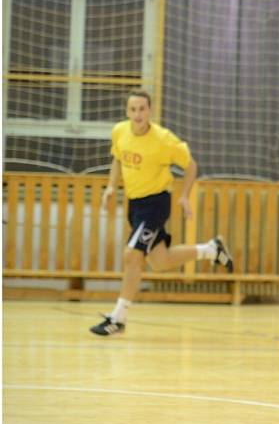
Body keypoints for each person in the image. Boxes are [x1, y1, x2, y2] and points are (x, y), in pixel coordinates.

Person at [90, 89, 233, 336]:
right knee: (160, 261)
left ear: (150, 111)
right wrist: (112, 186)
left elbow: (191, 165)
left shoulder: (163, 140)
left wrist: (185, 196)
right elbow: (117, 159)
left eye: (142, 109)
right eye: (133, 109)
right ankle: (211, 249)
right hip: (135, 205)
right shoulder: (120, 132)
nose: (137, 114)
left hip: (156, 203)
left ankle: (118, 318)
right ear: (127, 112)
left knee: (132, 256)